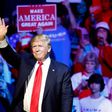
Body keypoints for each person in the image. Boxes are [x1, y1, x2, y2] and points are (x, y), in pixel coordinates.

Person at [0, 18, 73, 112]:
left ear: (49, 48)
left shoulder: (62, 70)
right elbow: (10, 56)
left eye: (40, 46)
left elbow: (66, 99)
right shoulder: (25, 62)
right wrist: (2, 39)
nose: (37, 49)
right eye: (34, 46)